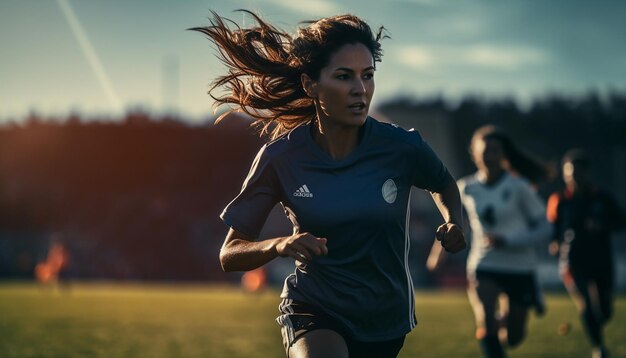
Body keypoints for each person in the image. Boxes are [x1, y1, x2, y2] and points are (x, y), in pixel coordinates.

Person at [191, 10, 466, 358]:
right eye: (344, 76)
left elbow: (443, 183)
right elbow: (229, 254)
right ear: (310, 84)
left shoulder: (402, 147)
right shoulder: (281, 158)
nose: (360, 89)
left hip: (385, 317)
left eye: (367, 76)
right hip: (313, 308)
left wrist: (452, 219)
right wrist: (279, 245)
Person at [427, 125, 551, 358]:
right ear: (475, 154)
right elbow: (453, 224)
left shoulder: (519, 187)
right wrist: (438, 254)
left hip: (520, 266)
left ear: (503, 154)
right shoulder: (466, 188)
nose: (491, 156)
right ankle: (492, 331)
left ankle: (511, 315)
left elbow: (545, 227)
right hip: (485, 263)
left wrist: (509, 240)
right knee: (485, 321)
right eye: (486, 151)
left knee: (513, 338)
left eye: (496, 151)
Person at [546, 149, 624, 358]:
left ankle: (597, 326)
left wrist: (602, 224)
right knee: (586, 305)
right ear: (564, 175)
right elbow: (553, 227)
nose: (573, 178)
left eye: (578, 173)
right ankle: (599, 348)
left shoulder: (603, 197)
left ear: (586, 173)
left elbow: (621, 221)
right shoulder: (558, 200)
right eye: (569, 174)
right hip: (572, 260)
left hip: (601, 259)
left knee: (604, 311)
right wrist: (554, 243)